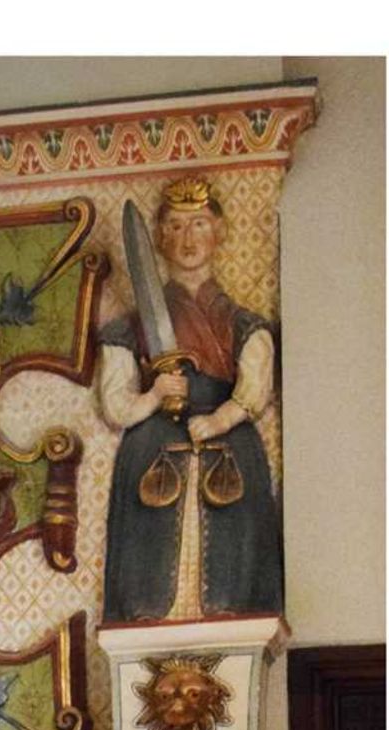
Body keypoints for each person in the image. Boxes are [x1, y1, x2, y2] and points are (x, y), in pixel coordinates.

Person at [96, 177, 283, 624]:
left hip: (229, 450)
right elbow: (116, 405)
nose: (188, 239)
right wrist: (156, 394)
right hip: (152, 452)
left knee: (233, 581)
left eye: (198, 224)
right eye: (176, 227)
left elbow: (255, 387)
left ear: (217, 232)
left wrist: (221, 419)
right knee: (149, 580)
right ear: (160, 238)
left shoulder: (244, 325)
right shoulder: (130, 329)